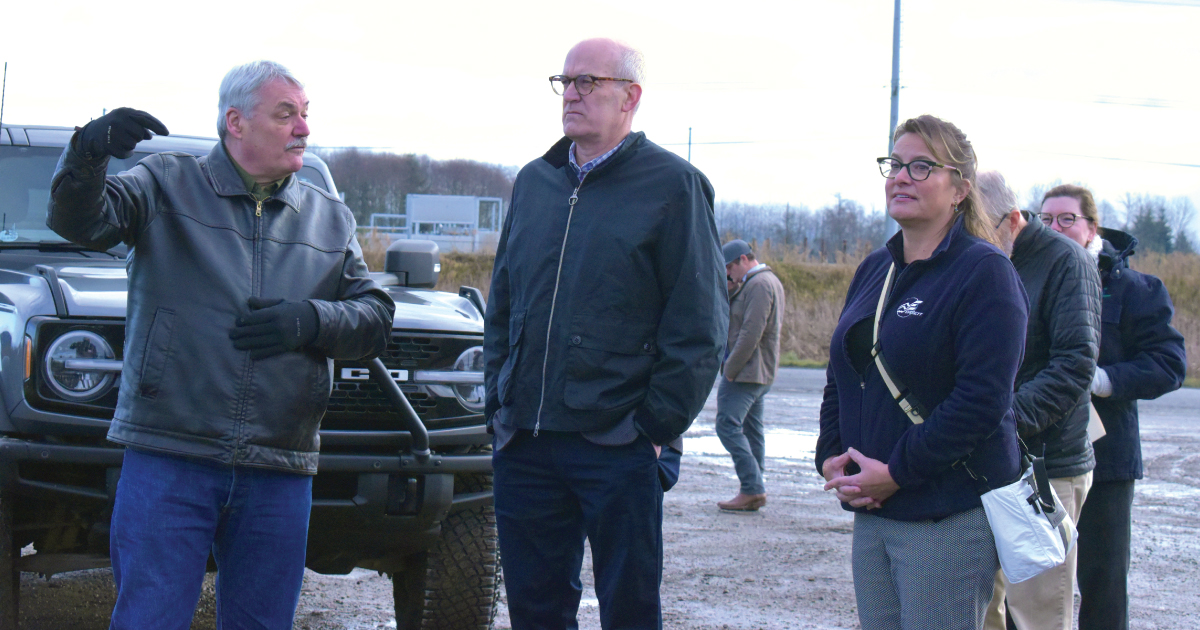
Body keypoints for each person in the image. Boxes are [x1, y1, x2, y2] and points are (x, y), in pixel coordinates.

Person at [46, 61, 395, 629]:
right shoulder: (164, 184)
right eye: (287, 115)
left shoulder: (330, 219)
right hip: (170, 454)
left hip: (279, 464)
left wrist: (308, 321)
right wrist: (86, 154)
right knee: (149, 620)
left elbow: (376, 318)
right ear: (236, 121)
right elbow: (80, 222)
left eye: (305, 115)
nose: (303, 129)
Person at [483, 38, 726, 629]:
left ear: (630, 97)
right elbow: (503, 305)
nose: (571, 94)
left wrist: (652, 428)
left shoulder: (673, 186)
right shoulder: (535, 182)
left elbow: (700, 325)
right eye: (564, 82)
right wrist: (500, 402)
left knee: (630, 610)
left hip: (616, 442)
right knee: (536, 612)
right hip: (527, 443)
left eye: (587, 82)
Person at [817, 115, 1028, 630]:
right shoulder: (874, 269)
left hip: (944, 516)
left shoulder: (984, 272)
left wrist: (896, 473)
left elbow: (981, 401)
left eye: (921, 166)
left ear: (960, 188)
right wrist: (831, 456)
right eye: (895, 164)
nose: (900, 176)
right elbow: (842, 373)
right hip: (874, 512)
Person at [1038, 184, 1186, 630]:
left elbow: (1168, 363)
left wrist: (1103, 380)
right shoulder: (1023, 279)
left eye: (1066, 219)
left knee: (1102, 581)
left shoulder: (1138, 289)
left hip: (1108, 458)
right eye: (1045, 220)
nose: (1055, 228)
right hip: (1037, 454)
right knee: (1033, 577)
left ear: (1091, 228)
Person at [978, 172, 1102, 630]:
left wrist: (1000, 423)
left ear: (1012, 220)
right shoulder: (985, 259)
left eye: (981, 230)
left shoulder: (1067, 261)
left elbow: (1075, 365)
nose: (974, 242)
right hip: (986, 458)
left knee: (1040, 614)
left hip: (1048, 465)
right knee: (979, 608)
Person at [715, 239, 785, 511]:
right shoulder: (764, 282)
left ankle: (752, 487)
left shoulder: (759, 284)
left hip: (746, 371)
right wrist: (732, 289)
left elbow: (750, 333)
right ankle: (755, 486)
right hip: (760, 371)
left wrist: (730, 369)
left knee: (726, 425)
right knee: (752, 428)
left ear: (744, 259)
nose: (729, 273)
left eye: (730, 267)